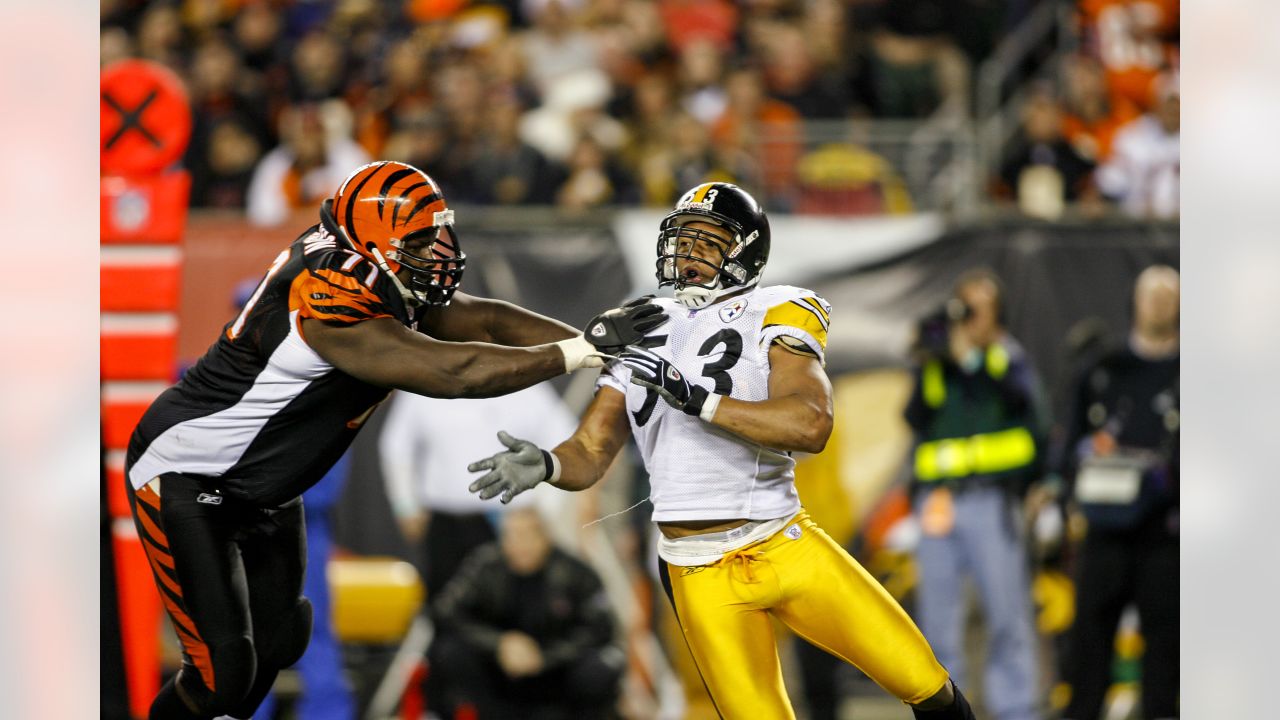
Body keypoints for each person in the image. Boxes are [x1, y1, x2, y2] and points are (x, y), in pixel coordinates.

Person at [122, 160, 667, 720]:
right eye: (420, 240)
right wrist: (574, 355)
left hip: (261, 485)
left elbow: (484, 322)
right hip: (188, 472)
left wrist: (596, 343)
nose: (435, 252)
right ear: (376, 243)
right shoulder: (329, 295)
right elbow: (456, 372)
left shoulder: (372, 267)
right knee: (221, 671)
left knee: (283, 639)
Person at [465, 182, 977, 719]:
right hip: (696, 568)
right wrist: (549, 463)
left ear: (744, 252)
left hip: (782, 540)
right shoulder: (638, 324)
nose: (689, 255)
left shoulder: (777, 308)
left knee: (926, 686)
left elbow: (811, 424)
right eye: (683, 241)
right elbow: (592, 448)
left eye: (708, 243)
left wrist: (697, 400)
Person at [903, 268, 1047, 720]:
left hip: (991, 501)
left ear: (997, 315)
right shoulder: (937, 361)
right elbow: (914, 417)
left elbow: (1028, 411)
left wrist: (971, 359)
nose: (969, 319)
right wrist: (934, 355)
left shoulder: (1008, 357)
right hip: (939, 503)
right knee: (938, 624)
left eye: (978, 309)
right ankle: (948, 714)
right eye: (963, 308)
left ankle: (1017, 710)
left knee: (1007, 617)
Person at [1059, 266, 1179, 720]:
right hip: (1105, 532)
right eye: (1152, 292)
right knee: (1089, 644)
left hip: (1165, 535)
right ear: (1135, 299)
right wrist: (1064, 484)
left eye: (1170, 292)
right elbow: (1070, 442)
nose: (1160, 301)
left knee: (1164, 650)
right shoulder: (1103, 370)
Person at [430, 507, 624, 720]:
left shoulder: (576, 572)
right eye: (511, 535)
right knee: (449, 650)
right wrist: (499, 643)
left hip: (556, 673)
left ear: (546, 537)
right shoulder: (485, 564)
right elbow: (446, 610)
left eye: (527, 535)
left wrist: (544, 658)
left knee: (602, 667)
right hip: (500, 672)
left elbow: (601, 628)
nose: (519, 544)